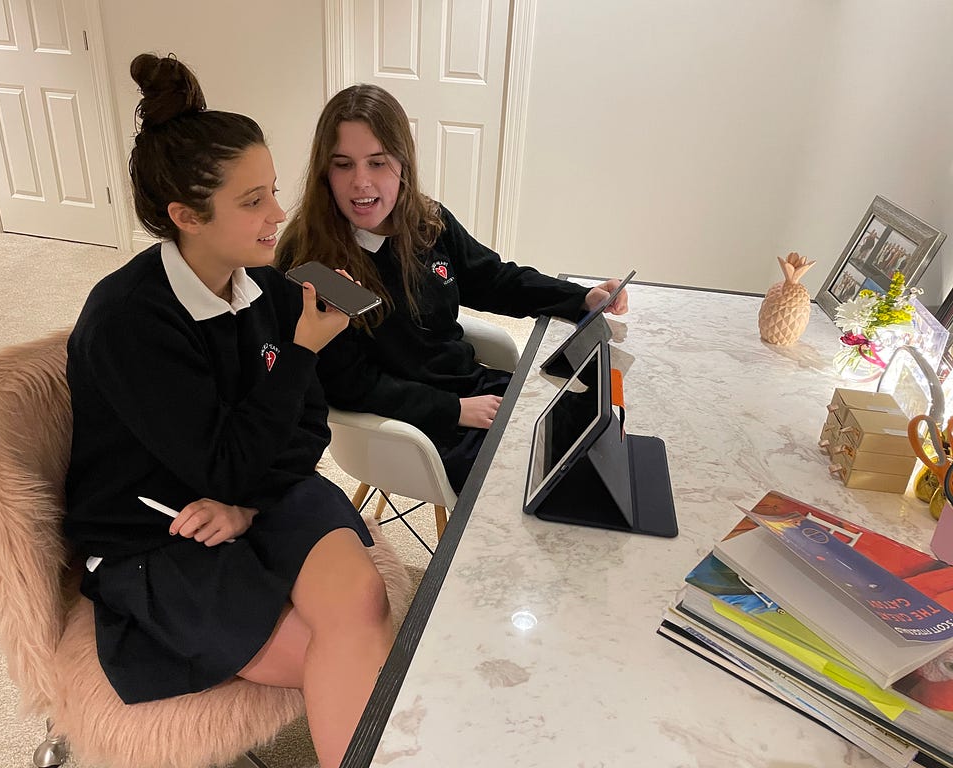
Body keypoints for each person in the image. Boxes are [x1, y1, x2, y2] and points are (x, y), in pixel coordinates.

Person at [63, 54, 392, 768]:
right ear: (185, 216)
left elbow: (305, 430)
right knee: (331, 657)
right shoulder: (127, 322)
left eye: (272, 192)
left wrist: (246, 509)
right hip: (156, 531)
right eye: (253, 202)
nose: (280, 215)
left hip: (250, 497)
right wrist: (301, 352)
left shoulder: (269, 291)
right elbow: (224, 461)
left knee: (364, 613)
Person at [277, 83, 629, 491]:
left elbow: (493, 279)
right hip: (415, 426)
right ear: (325, 171)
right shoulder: (313, 266)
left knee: (593, 423)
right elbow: (351, 385)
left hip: (470, 387)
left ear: (402, 162)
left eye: (377, 162)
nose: (361, 182)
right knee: (545, 487)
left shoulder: (427, 223)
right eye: (343, 164)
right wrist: (455, 410)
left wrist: (579, 298)